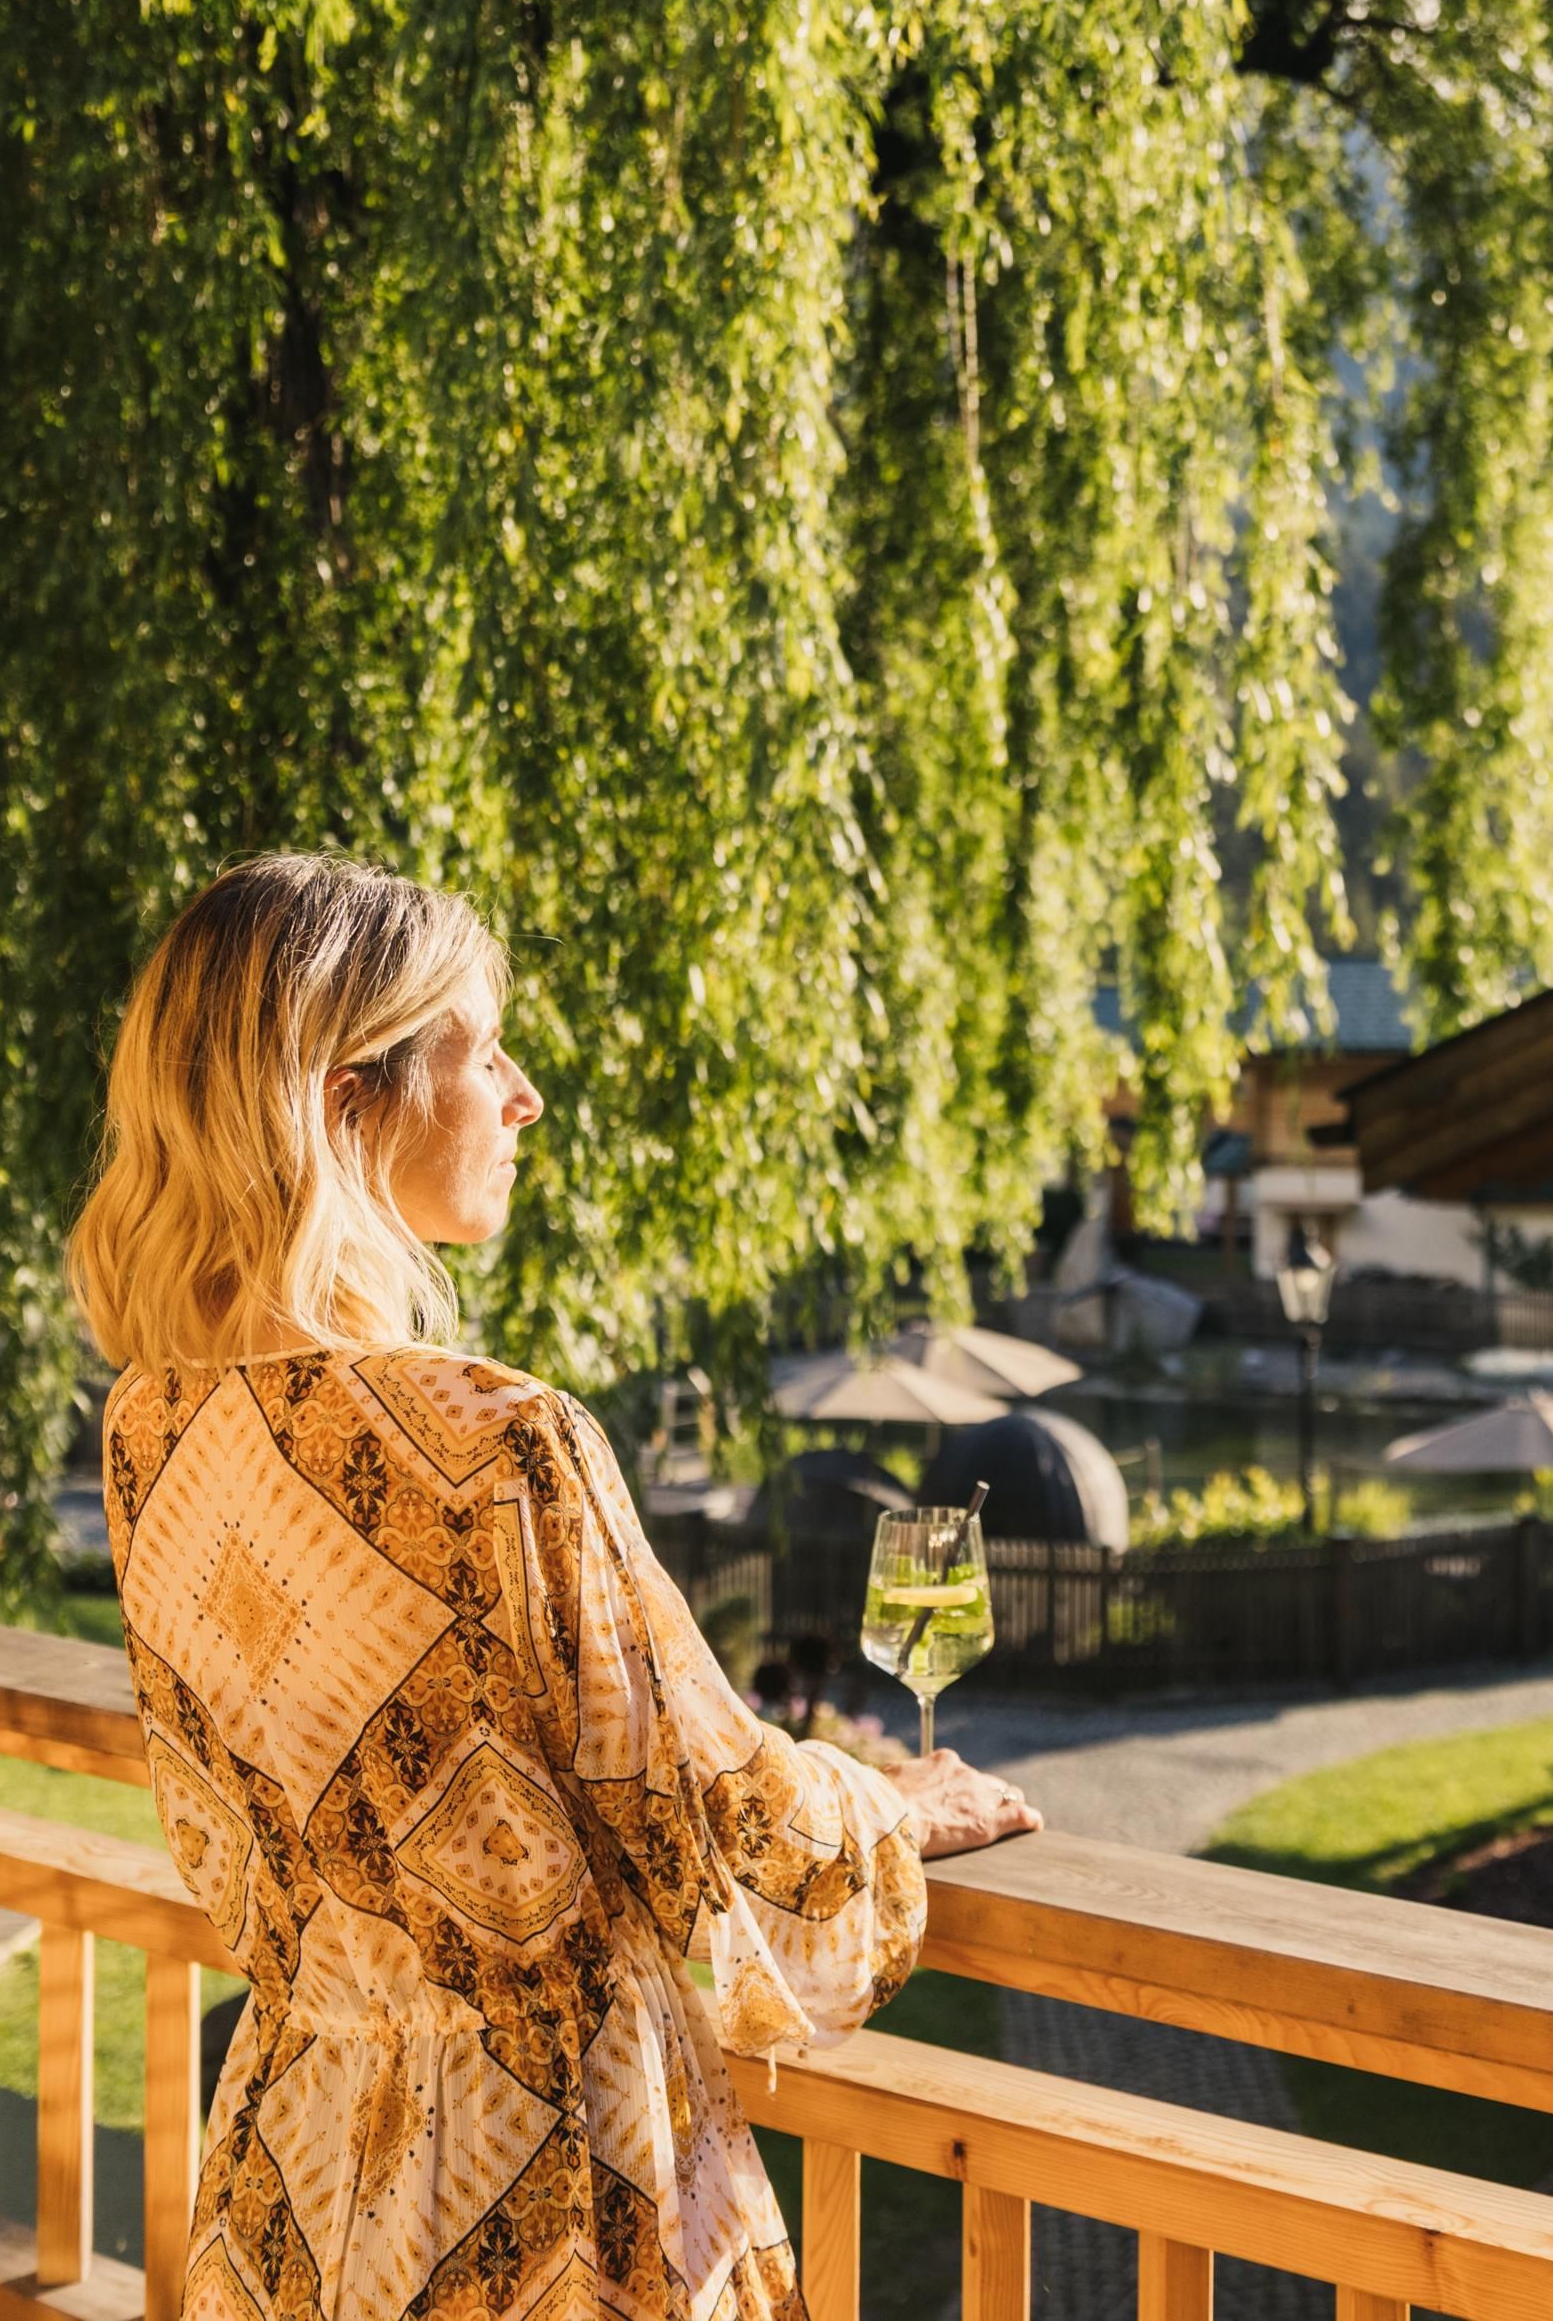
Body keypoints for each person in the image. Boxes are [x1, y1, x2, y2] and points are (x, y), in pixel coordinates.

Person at [68, 853, 1038, 2321]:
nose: (525, 1098)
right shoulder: (501, 1442)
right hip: (536, 2190)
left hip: (297, 2169)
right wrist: (893, 1809)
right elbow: (721, 1825)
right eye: (482, 1052)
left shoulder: (150, 1425)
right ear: (347, 1100)